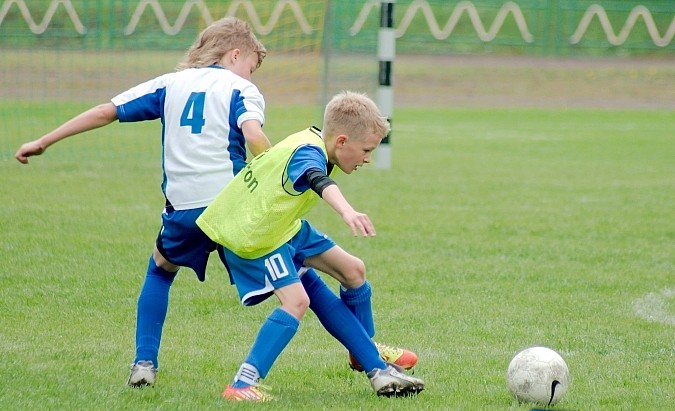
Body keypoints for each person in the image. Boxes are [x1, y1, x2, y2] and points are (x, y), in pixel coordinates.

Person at [15, 18, 416, 389]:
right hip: (236, 209)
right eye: (251, 67)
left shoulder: (169, 84)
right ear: (235, 54)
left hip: (183, 211)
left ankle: (144, 364)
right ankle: (356, 361)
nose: (251, 76)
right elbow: (253, 134)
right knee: (301, 282)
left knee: (161, 269)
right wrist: (272, 172)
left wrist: (45, 140)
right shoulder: (241, 89)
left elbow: (107, 111)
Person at [196, 91, 425, 401]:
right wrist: (347, 211)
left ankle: (364, 352)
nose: (368, 159)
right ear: (342, 141)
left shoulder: (318, 140)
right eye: (366, 150)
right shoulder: (308, 152)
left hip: (284, 226)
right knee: (297, 301)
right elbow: (318, 179)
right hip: (256, 236)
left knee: (354, 271)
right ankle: (241, 384)